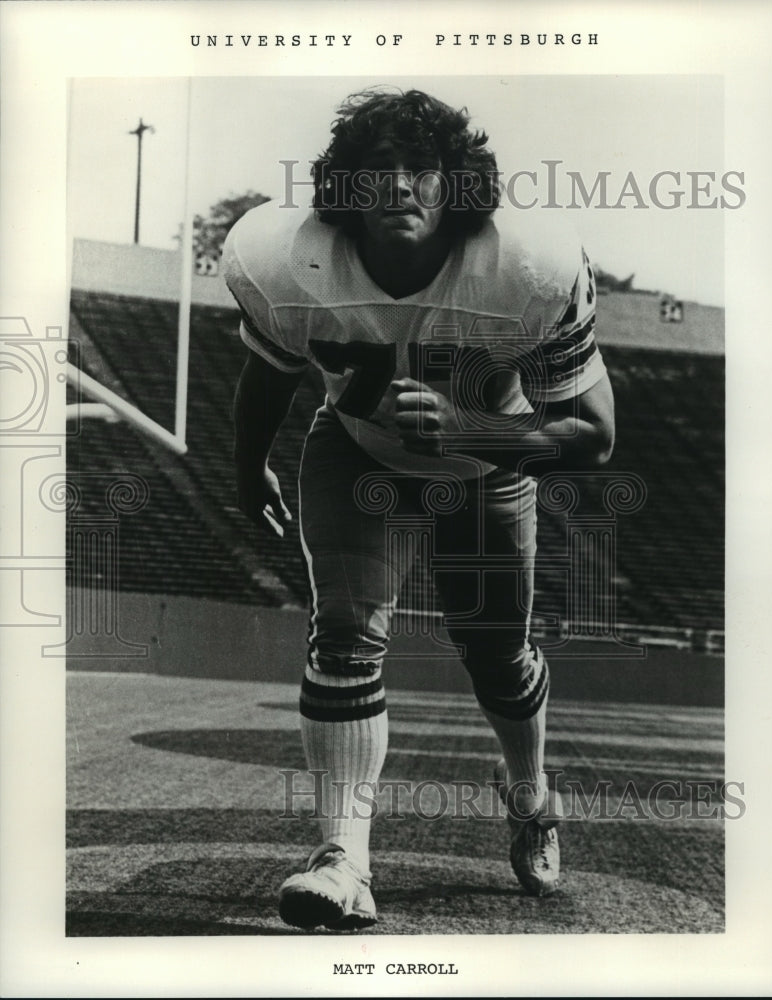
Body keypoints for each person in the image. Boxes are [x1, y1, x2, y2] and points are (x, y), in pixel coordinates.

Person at [223, 88, 615, 930]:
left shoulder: (528, 267)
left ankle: (531, 797)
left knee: (496, 655)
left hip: (484, 465)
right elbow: (269, 372)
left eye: (421, 170)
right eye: (376, 169)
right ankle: (342, 861)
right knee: (345, 630)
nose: (398, 186)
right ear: (342, 187)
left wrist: (471, 425)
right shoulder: (282, 259)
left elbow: (593, 435)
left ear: (456, 187)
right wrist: (248, 462)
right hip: (357, 448)